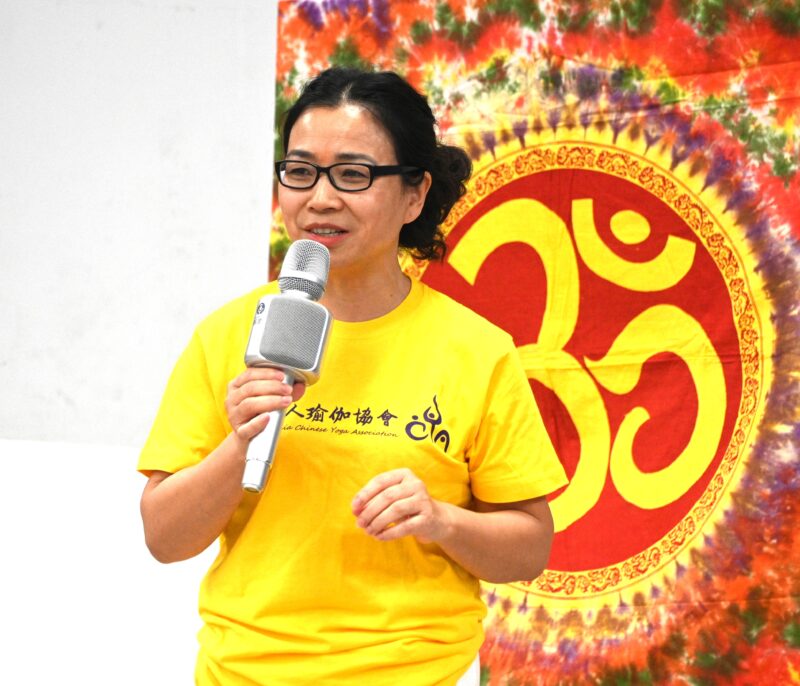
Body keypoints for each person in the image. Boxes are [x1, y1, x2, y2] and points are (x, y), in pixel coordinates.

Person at [138, 67, 568, 686]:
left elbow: (529, 549)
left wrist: (442, 520)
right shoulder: (228, 335)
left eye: (353, 174)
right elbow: (164, 538)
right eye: (300, 171)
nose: (320, 198)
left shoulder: (477, 351)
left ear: (415, 195)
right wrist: (239, 444)